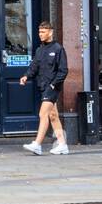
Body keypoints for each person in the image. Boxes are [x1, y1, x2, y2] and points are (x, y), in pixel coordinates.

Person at [21, 21, 70, 155]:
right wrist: (26, 76)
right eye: (39, 32)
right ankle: (62, 145)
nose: (40, 34)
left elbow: (63, 70)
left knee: (43, 114)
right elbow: (34, 66)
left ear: (50, 32)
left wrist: (54, 84)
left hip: (52, 87)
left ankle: (37, 144)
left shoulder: (58, 49)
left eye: (43, 32)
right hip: (42, 85)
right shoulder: (40, 49)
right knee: (53, 115)